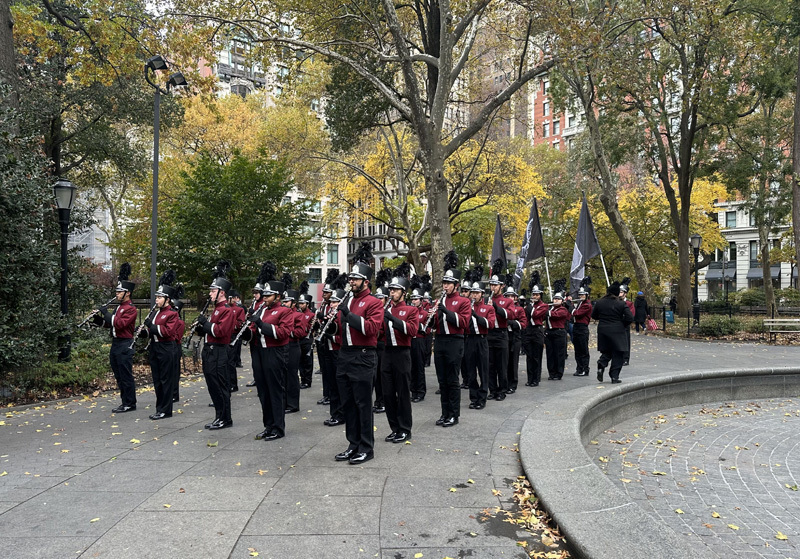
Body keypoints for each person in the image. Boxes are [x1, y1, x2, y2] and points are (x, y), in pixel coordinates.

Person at [333, 243, 383, 464]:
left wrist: (348, 315)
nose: (350, 282)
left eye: (355, 279)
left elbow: (371, 329)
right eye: (350, 278)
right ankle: (352, 444)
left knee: (363, 404)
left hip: (363, 356)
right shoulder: (348, 300)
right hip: (344, 355)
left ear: (365, 281)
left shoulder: (374, 303)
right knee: (348, 403)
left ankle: (366, 447)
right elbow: (342, 329)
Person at [427, 251, 471, 427]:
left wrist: (445, 311)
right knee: (442, 379)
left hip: (455, 341)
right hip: (440, 341)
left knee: (452, 379)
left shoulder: (463, 302)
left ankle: (454, 414)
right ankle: (444, 412)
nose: (445, 286)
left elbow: (463, 323)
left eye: (449, 284)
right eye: (444, 283)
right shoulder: (439, 301)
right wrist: (429, 319)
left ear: (456, 285)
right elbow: (434, 323)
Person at [249, 270, 294, 440]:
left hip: (275, 352)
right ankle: (268, 425)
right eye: (264, 295)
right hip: (259, 352)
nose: (264, 298)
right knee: (263, 391)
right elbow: (254, 331)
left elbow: (283, 333)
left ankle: (278, 427)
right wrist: (247, 331)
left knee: (275, 390)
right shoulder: (261, 309)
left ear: (277, 296)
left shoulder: (285, 311)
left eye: (268, 296)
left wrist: (260, 324)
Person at [196, 263, 236, 430]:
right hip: (210, 350)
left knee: (220, 386)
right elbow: (210, 331)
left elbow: (220, 331)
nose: (210, 293)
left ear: (222, 293)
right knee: (212, 385)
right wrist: (200, 329)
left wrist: (205, 324)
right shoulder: (216, 309)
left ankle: (225, 418)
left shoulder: (227, 310)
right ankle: (219, 415)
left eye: (213, 291)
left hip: (220, 351)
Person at [94, 263, 138, 413]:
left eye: (120, 292)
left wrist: (106, 314)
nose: (117, 294)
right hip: (116, 343)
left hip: (125, 344)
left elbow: (120, 324)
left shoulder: (131, 309)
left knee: (125, 375)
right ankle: (124, 401)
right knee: (118, 375)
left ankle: (130, 403)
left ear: (128, 293)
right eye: (117, 291)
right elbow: (111, 324)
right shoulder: (118, 307)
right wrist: (99, 321)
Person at [381, 270, 419, 443]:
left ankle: (405, 429)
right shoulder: (386, 309)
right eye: (391, 290)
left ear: (404, 292)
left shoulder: (411, 310)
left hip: (402, 353)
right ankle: (394, 428)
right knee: (387, 393)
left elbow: (412, 331)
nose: (392, 293)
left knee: (403, 392)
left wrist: (392, 319)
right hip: (387, 353)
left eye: (396, 290)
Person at [141, 273, 180, 420]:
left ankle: (166, 410)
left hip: (166, 348)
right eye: (156, 297)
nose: (156, 300)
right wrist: (144, 332)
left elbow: (168, 331)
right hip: (155, 348)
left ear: (167, 299)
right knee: (157, 380)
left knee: (166, 380)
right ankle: (159, 408)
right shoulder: (156, 313)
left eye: (159, 297)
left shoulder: (172, 313)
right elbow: (152, 330)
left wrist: (152, 326)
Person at [592, 281, 633, 384]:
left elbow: (594, 315)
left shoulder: (600, 302)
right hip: (617, 330)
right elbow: (630, 317)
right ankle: (614, 376)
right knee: (618, 353)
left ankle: (602, 363)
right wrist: (622, 324)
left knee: (607, 351)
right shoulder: (621, 303)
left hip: (603, 329)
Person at [465, 278, 495, 410]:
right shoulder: (467, 307)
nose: (474, 295)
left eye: (477, 293)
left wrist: (476, 316)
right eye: (473, 293)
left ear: (482, 294)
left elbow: (490, 324)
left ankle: (482, 398)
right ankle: (474, 397)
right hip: (469, 340)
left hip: (482, 340)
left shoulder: (488, 308)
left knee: (483, 370)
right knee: (470, 371)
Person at [487, 260, 513, 400]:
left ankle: (502, 390)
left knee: (501, 364)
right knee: (490, 365)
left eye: (495, 285)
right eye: (491, 285)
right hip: (489, 334)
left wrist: (496, 308)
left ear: (501, 286)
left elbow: (511, 315)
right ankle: (492, 390)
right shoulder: (486, 299)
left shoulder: (507, 301)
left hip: (501, 333)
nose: (492, 287)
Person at [315, 269, 338, 405]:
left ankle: (332, 394)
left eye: (326, 293)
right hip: (323, 340)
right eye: (323, 292)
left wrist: (322, 318)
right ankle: (326, 394)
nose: (324, 295)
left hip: (332, 340)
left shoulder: (334, 305)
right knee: (325, 369)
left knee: (332, 371)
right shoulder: (323, 305)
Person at [522, 274, 547, 387]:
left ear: (540, 295)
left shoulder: (544, 306)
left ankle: (536, 379)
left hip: (537, 331)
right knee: (529, 356)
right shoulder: (529, 305)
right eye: (534, 294)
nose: (535, 296)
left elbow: (535, 315)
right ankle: (530, 378)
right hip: (529, 331)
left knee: (537, 356)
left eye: (537, 295)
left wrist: (530, 306)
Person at [282, 282, 303, 414]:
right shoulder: (283, 313)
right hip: (283, 346)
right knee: (283, 376)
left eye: (287, 301)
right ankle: (284, 402)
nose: (284, 303)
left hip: (293, 346)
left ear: (293, 303)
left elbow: (301, 332)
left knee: (292, 375)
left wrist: (287, 330)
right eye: (283, 301)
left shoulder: (298, 315)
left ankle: (293, 404)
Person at [409, 278, 428, 403]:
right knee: (411, 367)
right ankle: (413, 390)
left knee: (419, 367)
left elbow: (426, 329)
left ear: (421, 300)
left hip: (420, 341)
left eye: (416, 299)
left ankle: (420, 391)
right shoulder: (409, 311)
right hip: (410, 341)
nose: (413, 301)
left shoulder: (425, 313)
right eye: (412, 299)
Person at [504, 284, 525, 394]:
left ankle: (513, 384)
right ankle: (505, 383)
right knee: (504, 361)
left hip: (515, 337)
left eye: (512, 296)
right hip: (504, 336)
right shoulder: (502, 308)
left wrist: (513, 323)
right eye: (508, 296)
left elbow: (523, 323)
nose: (510, 298)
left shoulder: (519, 309)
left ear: (515, 298)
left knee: (513, 361)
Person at [544, 291, 570, 380]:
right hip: (549, 333)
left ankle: (558, 373)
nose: (555, 300)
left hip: (559, 333)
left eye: (558, 299)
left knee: (559, 354)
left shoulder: (563, 309)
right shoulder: (551, 308)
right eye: (555, 299)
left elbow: (556, 315)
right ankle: (551, 373)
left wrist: (545, 310)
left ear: (562, 301)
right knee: (550, 354)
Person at [571, 283, 593, 377]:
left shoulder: (587, 305)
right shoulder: (580, 303)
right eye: (580, 294)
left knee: (583, 350)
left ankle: (585, 368)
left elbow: (577, 313)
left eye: (583, 294)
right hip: (576, 327)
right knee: (577, 350)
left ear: (587, 295)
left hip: (582, 328)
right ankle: (579, 368)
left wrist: (570, 306)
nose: (580, 296)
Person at [227, 289, 246, 392]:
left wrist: (230, 324)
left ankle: (233, 384)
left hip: (233, 336)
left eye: (231, 298)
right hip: (224, 336)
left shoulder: (239, 309)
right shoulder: (223, 308)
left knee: (231, 361)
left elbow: (240, 323)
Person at [297, 283, 315, 389]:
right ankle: (303, 379)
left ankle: (308, 381)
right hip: (300, 339)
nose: (300, 305)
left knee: (308, 361)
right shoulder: (299, 313)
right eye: (300, 303)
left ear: (307, 304)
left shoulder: (312, 314)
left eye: (303, 303)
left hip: (308, 340)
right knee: (300, 361)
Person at [170, 288, 186, 403]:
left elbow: (177, 336)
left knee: (174, 371)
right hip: (169, 346)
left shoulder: (180, 322)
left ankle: (175, 394)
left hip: (175, 346)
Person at [619, 279, 634, 365]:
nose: (619, 294)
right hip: (617, 325)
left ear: (625, 293)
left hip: (624, 325)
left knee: (625, 342)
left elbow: (631, 315)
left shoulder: (629, 303)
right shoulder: (616, 302)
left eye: (621, 292)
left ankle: (625, 358)